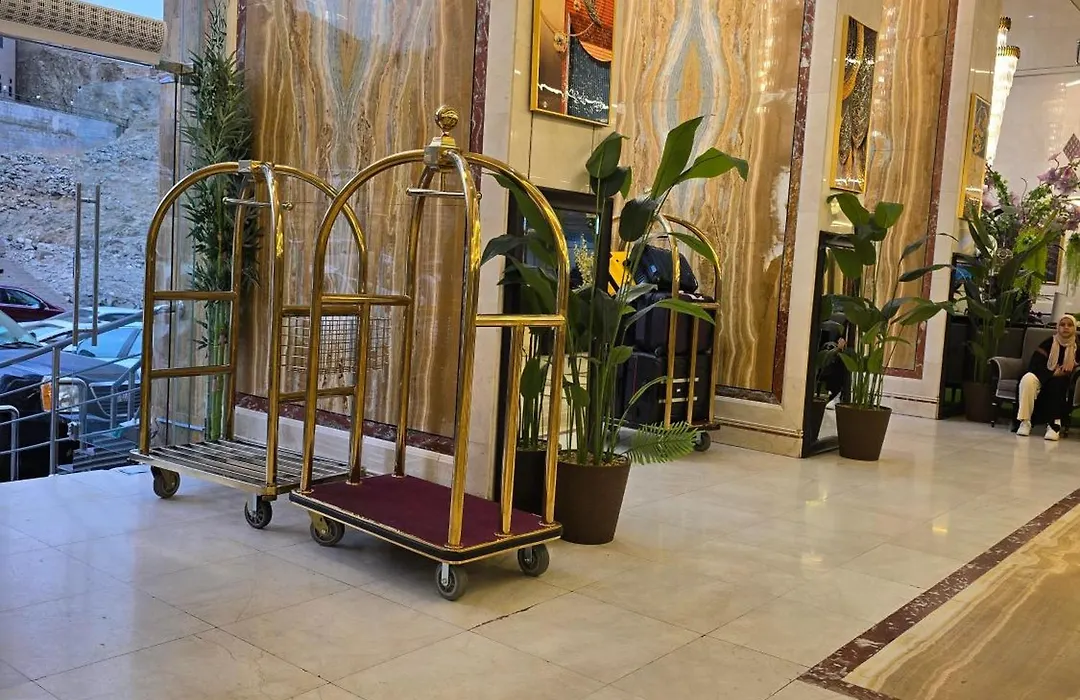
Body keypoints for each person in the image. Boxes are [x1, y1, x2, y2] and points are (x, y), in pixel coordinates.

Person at [1016, 314, 1077, 441]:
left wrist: (1066, 371)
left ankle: (1054, 426)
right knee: (1027, 379)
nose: (1066, 327)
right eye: (1062, 324)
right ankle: (1025, 421)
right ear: (1057, 327)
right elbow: (1035, 364)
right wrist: (1052, 373)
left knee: (1057, 384)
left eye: (1070, 325)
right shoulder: (1049, 343)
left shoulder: (1078, 345)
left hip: (1066, 380)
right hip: (1044, 375)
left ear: (1074, 328)